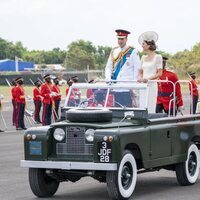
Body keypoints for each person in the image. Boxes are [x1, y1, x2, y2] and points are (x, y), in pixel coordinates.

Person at [105, 29, 141, 107]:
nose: (120, 41)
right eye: (118, 38)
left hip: (127, 87)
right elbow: (108, 67)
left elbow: (137, 70)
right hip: (116, 86)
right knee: (117, 110)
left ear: (126, 39)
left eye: (122, 39)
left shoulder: (133, 51)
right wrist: (108, 79)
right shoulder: (114, 51)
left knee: (128, 110)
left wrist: (134, 87)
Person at [138, 31, 163, 113]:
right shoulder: (143, 57)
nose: (142, 45)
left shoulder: (158, 57)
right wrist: (140, 78)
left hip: (152, 85)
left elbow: (159, 73)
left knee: (150, 106)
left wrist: (148, 79)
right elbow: (140, 71)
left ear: (148, 45)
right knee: (142, 105)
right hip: (143, 85)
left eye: (143, 44)